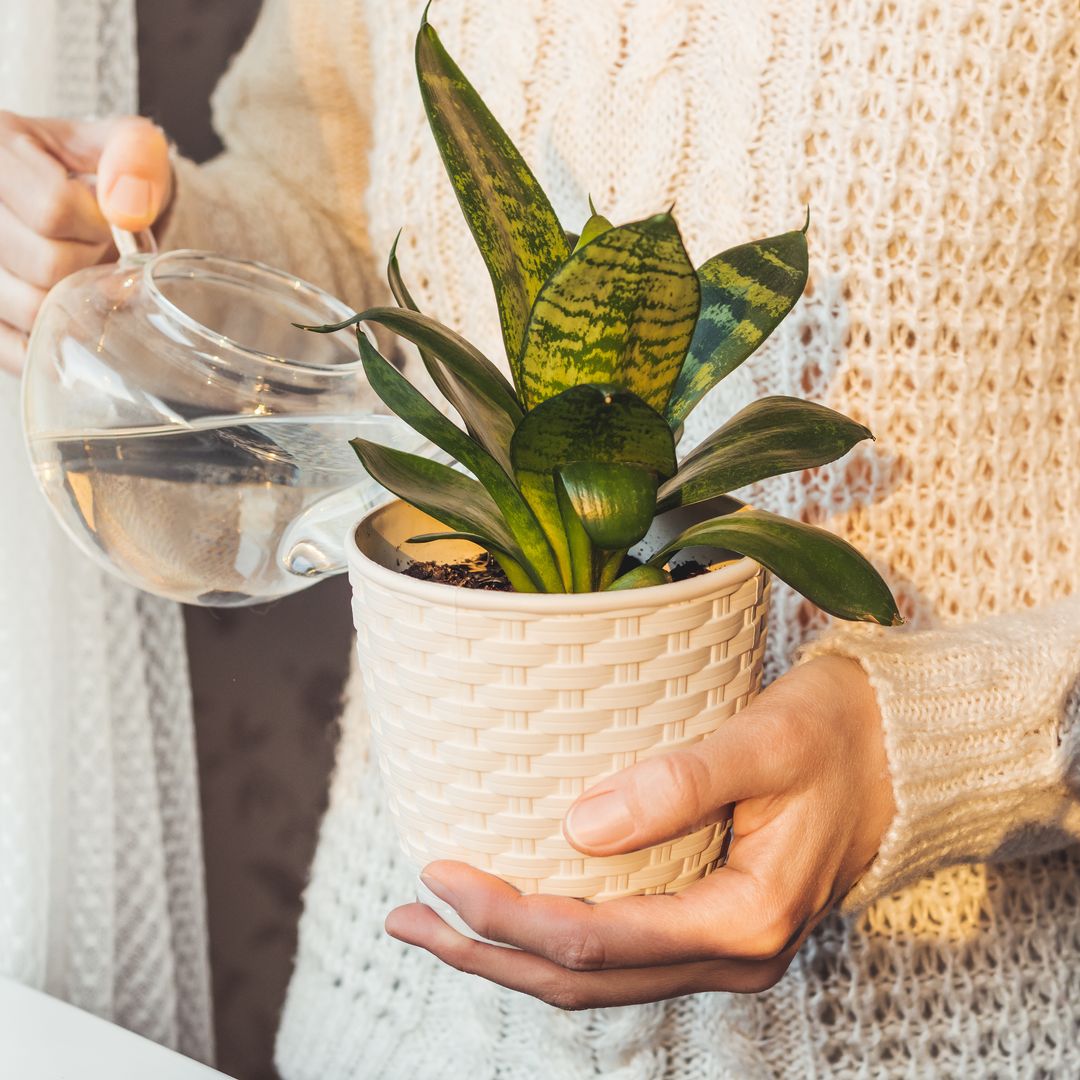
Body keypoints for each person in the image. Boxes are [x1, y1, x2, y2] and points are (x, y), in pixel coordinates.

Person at [3, 1, 1078, 1076]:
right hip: (409, 1021)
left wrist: (932, 748)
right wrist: (144, 247)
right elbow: (339, 221)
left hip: (945, 1021)